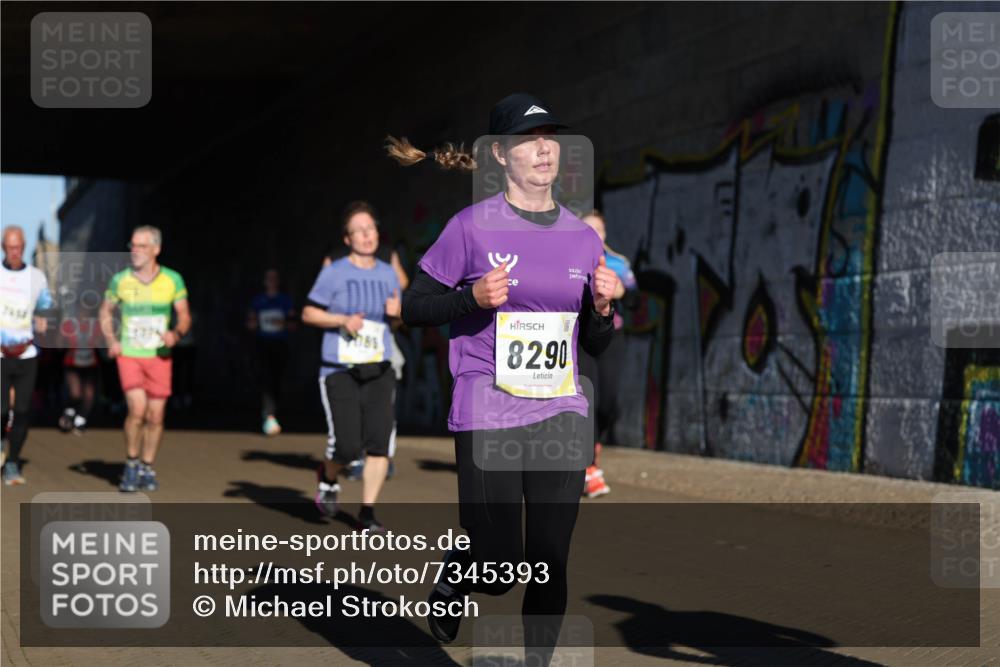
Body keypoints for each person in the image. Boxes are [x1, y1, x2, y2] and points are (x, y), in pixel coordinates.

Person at [390, 92, 619, 662]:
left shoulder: (583, 238)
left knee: (549, 558)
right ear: (499, 155)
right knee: (499, 566)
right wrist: (471, 296)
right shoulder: (470, 227)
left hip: (560, 409)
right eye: (529, 140)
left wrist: (603, 311)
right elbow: (412, 306)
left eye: (550, 139)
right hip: (487, 403)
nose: (544, 149)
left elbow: (593, 344)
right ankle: (457, 577)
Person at [302, 201, 401, 533]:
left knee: (379, 443)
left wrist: (397, 313)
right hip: (339, 368)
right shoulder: (335, 271)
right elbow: (308, 313)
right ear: (347, 238)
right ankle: (328, 477)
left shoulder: (389, 273)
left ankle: (367, 512)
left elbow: (398, 324)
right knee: (346, 445)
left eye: (370, 228)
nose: (366, 235)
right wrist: (342, 319)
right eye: (358, 231)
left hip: (379, 367)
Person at [99, 225, 190, 492]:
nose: (135, 251)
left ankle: (147, 466)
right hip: (130, 354)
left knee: (156, 416)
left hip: (160, 356)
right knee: (137, 409)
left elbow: (184, 316)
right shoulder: (120, 280)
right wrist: (112, 341)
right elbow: (105, 312)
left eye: (141, 246)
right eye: (133, 245)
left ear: (156, 249)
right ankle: (131, 462)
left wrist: (177, 333)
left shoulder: (173, 280)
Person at [577, 209, 638, 498]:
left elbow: (637, 297)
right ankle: (588, 467)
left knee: (609, 404)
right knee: (589, 398)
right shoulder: (567, 260)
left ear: (605, 234)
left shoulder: (618, 263)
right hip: (580, 338)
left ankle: (594, 444)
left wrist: (620, 293)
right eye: (586, 228)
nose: (592, 234)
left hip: (613, 336)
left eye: (597, 230)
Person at [0, 226, 54, 484]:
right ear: (3, 247)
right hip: (0, 354)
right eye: (10, 247)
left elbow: (46, 307)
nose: (15, 251)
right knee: (1, 410)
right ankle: (1, 442)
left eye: (19, 246)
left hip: (27, 353)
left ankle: (12, 462)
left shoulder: (36, 277)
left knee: (22, 411)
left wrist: (43, 319)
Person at [247, 269, 296, 435]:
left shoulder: (285, 300)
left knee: (277, 380)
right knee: (265, 378)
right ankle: (269, 414)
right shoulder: (258, 301)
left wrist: (282, 322)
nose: (272, 281)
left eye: (275, 278)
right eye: (269, 278)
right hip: (263, 344)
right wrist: (256, 323)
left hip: (280, 344)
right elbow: (251, 323)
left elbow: (292, 323)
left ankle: (273, 412)